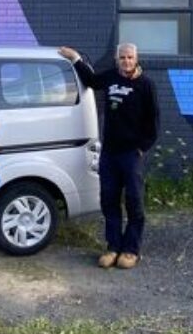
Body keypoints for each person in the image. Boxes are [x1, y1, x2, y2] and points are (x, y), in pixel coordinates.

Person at [58, 43, 159, 270]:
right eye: (122, 57)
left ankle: (131, 250)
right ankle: (113, 247)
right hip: (110, 154)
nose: (126, 61)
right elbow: (91, 81)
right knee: (109, 201)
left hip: (131, 155)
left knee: (134, 201)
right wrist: (75, 58)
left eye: (130, 57)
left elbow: (153, 121)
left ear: (136, 59)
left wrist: (142, 148)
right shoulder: (111, 77)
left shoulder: (146, 84)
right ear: (116, 59)